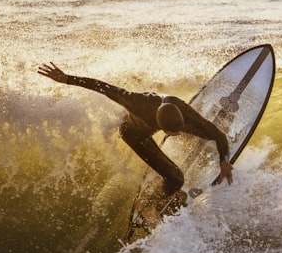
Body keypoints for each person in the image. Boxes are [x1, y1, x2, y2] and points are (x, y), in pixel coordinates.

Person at [37, 62, 233, 205]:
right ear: (161, 125)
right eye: (172, 133)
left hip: (160, 118)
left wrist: (224, 160)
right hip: (135, 135)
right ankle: (147, 203)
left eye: (177, 131)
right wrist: (66, 79)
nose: (175, 134)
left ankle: (189, 136)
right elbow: (102, 87)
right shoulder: (135, 102)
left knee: (208, 132)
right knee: (176, 179)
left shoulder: (180, 108)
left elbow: (218, 134)